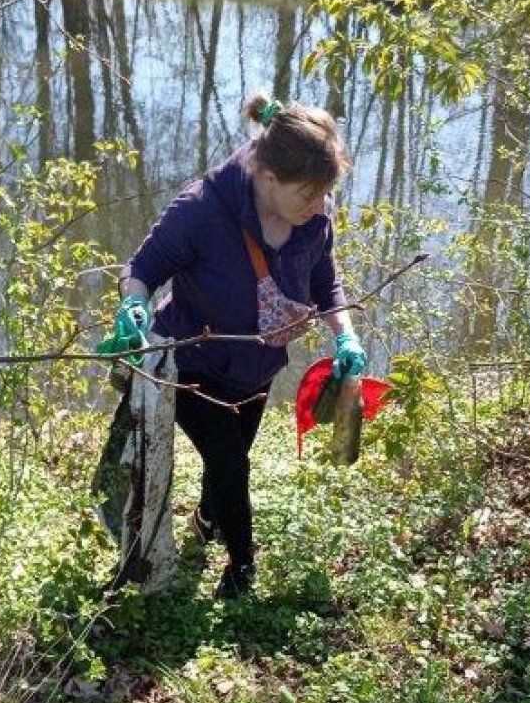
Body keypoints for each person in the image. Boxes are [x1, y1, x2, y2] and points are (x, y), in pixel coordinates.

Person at [114, 92, 367, 599]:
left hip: (257, 370)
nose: (319, 204)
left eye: (325, 194)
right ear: (268, 178)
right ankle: (242, 567)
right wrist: (134, 307)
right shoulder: (202, 210)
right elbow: (141, 271)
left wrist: (346, 334)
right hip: (193, 363)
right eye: (308, 194)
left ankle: (207, 519)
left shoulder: (315, 216)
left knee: (226, 462)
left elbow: (325, 278)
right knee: (232, 463)